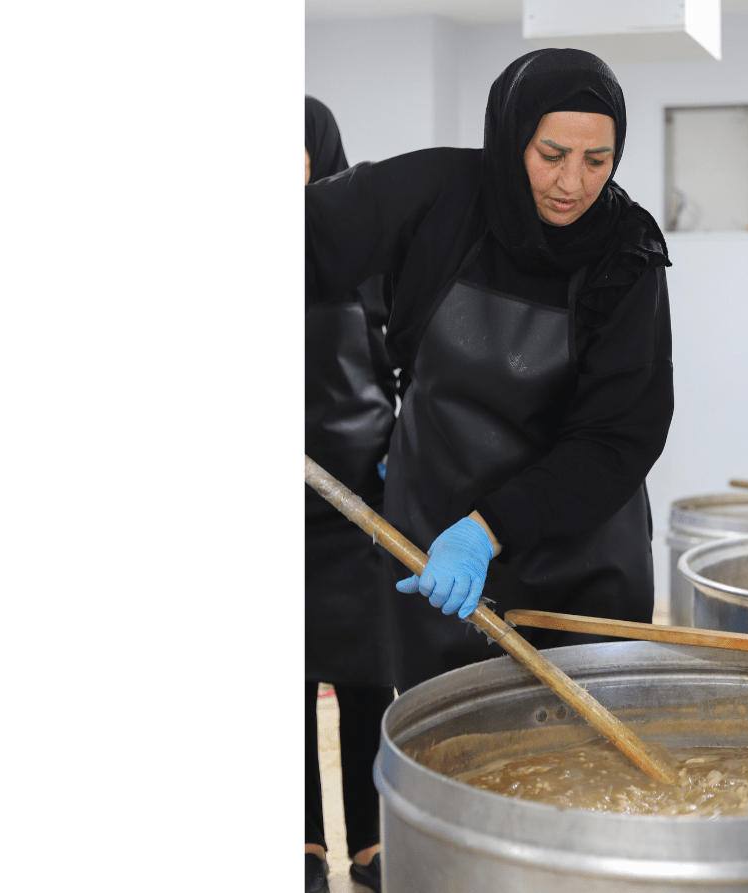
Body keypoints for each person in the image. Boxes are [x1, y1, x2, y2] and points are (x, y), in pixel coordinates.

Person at [304, 49, 673, 695]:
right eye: (551, 154)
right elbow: (309, 237)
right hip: (436, 551)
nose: (573, 183)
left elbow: (617, 438)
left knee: (580, 772)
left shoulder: (626, 253)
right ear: (511, 138)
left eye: (598, 160)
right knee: (448, 755)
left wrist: (486, 529)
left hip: (578, 552)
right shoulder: (439, 195)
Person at [303, 96, 397, 893]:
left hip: (358, 502)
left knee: (369, 671)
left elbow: (405, 364)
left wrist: (405, 457)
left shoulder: (362, 253)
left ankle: (369, 842)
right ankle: (300, 843)